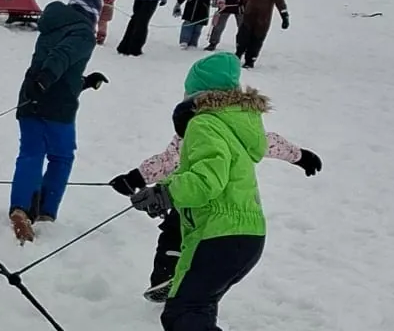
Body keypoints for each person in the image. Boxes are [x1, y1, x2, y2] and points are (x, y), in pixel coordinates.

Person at [131, 53, 269, 331]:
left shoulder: (204, 124)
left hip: (217, 234)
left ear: (197, 95)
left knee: (178, 313)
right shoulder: (235, 126)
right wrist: (166, 190)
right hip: (246, 236)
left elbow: (209, 178)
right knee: (197, 305)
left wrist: (167, 190)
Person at [110, 94, 320, 300]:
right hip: (199, 197)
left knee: (182, 232)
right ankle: (168, 277)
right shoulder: (228, 127)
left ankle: (173, 275)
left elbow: (169, 160)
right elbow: (168, 160)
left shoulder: (209, 127)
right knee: (181, 232)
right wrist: (136, 178)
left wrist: (137, 178)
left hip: (204, 198)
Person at [10, 0, 108, 243]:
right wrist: (46, 79)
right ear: (93, 12)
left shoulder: (54, 23)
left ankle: (20, 208)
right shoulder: (84, 32)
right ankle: (45, 212)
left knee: (31, 154)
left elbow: (62, 62)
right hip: (57, 106)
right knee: (61, 157)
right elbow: (61, 56)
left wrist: (84, 81)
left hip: (29, 98)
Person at [235, 0, 289, 69]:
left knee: (256, 41)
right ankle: (238, 55)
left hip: (262, 20)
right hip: (248, 16)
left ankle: (250, 60)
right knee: (242, 37)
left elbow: (280, 1)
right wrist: (240, 4)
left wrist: (284, 16)